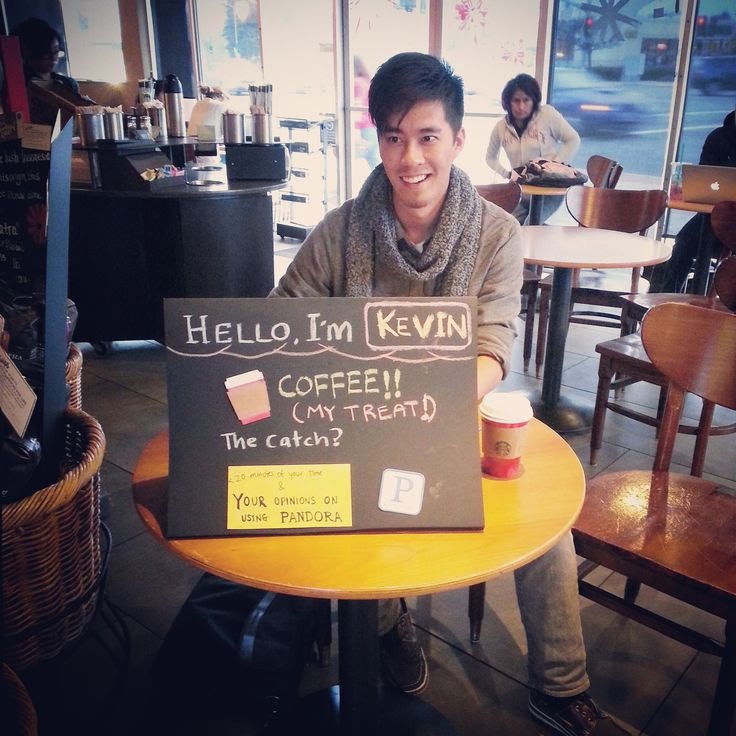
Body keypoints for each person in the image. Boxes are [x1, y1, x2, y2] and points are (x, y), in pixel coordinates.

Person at [271, 51, 630, 736]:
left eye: (427, 136)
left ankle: (559, 687)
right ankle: (383, 623)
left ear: (459, 140)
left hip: (458, 419)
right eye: (393, 137)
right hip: (354, 425)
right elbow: (282, 318)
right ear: (376, 139)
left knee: (544, 523)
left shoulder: (496, 234)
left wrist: (424, 409)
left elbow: (493, 347)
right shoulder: (341, 231)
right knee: (355, 511)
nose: (410, 159)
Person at [649, 107, 736, 293]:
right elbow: (704, 178)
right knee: (683, 242)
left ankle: (723, 309)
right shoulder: (718, 137)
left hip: (728, 218)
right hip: (712, 214)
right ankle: (667, 298)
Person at [485, 73, 580, 224]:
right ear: (508, 102)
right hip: (522, 192)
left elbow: (573, 139)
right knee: (506, 227)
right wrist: (507, 174)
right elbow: (490, 158)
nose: (521, 106)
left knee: (531, 226)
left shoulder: (547, 115)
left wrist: (555, 164)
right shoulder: (501, 127)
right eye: (516, 100)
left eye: (526, 100)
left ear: (533, 100)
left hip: (549, 191)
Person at [11, 17, 94, 123]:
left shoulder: (68, 83)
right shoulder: (21, 87)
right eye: (46, 52)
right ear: (29, 53)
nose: (53, 58)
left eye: (56, 51)